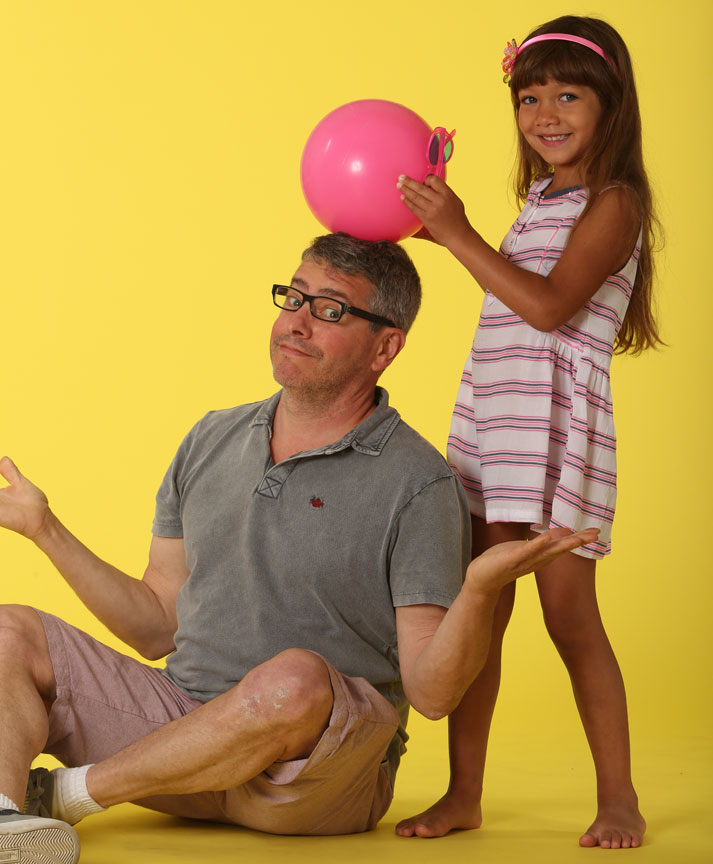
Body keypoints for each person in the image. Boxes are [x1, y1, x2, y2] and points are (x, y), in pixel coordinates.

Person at [0, 232, 596, 862]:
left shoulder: (419, 484)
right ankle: (9, 820)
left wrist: (478, 589)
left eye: (330, 310)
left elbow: (431, 695)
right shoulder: (210, 438)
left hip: (312, 775)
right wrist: (46, 530)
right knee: (11, 629)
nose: (296, 323)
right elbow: (155, 628)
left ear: (385, 347)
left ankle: (64, 794)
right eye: (294, 298)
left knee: (295, 679)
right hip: (175, 735)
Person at [396, 15, 659, 851]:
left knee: (569, 618)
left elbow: (547, 308)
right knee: (478, 612)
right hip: (497, 422)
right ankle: (463, 792)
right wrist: (431, 221)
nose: (544, 115)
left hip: (555, 432)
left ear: (609, 105)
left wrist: (458, 232)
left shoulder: (615, 203)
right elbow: (510, 288)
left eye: (567, 96)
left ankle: (618, 797)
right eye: (527, 98)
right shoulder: (540, 200)